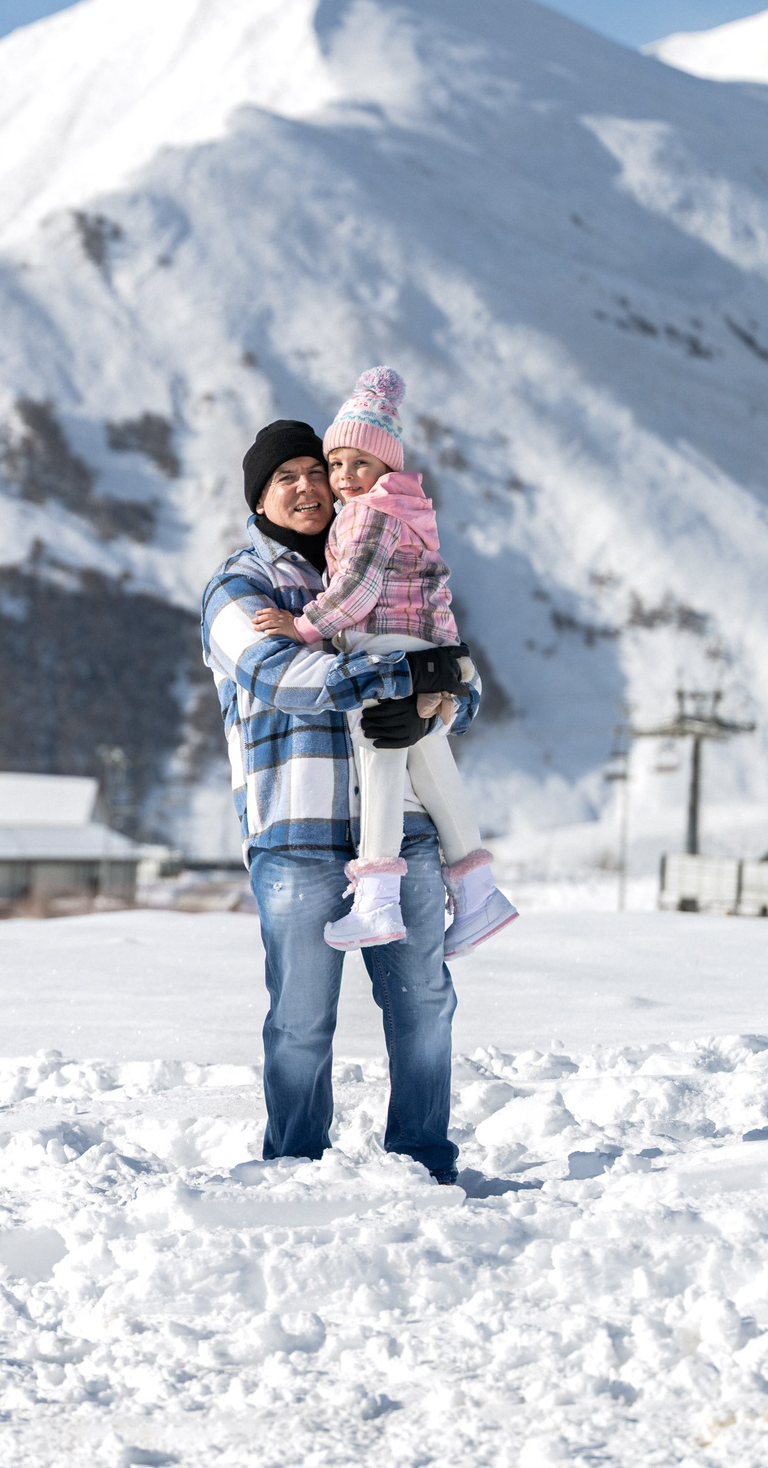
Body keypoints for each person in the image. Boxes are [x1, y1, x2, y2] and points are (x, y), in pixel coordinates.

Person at [198, 417, 478, 1184]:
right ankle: (293, 1166)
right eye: (285, 476)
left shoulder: (378, 557)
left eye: (315, 471)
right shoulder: (241, 586)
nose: (306, 486)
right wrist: (406, 684)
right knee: (300, 1020)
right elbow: (278, 676)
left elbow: (461, 672)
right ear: (260, 495)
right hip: (299, 835)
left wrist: (439, 703)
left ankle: (423, 1160)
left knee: (423, 1001)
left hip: (402, 833)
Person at [248, 368, 518, 956]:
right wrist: (441, 672)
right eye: (334, 463)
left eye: (352, 466)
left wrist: (301, 626)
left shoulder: (369, 514)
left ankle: (376, 900)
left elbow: (359, 591)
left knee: (379, 762)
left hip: (382, 645)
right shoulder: (402, 509)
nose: (340, 479)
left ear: (386, 467)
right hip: (411, 644)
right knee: (429, 760)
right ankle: (478, 892)